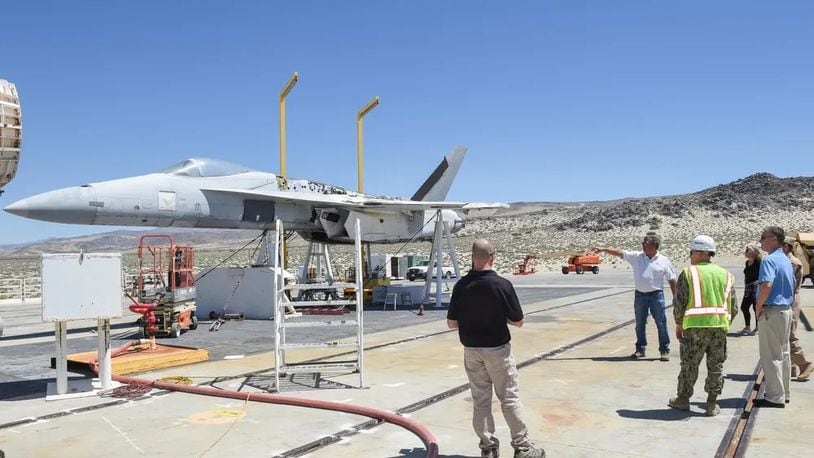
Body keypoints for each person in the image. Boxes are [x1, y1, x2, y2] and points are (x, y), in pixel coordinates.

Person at [447, 239, 545, 458]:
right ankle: (522, 448)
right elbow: (518, 321)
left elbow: (452, 323)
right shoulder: (502, 285)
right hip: (498, 350)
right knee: (509, 398)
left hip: (472, 351)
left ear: (472, 257)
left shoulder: (461, 286)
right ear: (492, 256)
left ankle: (488, 448)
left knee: (480, 400)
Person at [668, 235, 737, 416]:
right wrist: (723, 322)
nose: (690, 256)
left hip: (694, 328)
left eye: (691, 252)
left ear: (699, 252)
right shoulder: (727, 275)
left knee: (689, 364)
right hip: (719, 328)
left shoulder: (689, 273)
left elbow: (679, 303)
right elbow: (734, 307)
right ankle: (712, 404)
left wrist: (678, 324)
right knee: (716, 365)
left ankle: (683, 399)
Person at [594, 233, 678, 361]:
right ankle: (640, 349)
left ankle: (664, 350)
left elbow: (672, 279)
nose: (643, 246)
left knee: (661, 323)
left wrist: (675, 297)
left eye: (646, 244)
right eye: (643, 243)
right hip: (640, 296)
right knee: (640, 323)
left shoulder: (664, 260)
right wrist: (603, 249)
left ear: (654, 246)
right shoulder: (637, 257)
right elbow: (619, 252)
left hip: (656, 296)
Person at [754, 226, 795, 408]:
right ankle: (783, 393)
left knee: (771, 355)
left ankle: (774, 396)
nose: (761, 241)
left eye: (763, 237)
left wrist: (758, 305)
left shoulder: (769, 260)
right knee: (783, 353)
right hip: (785, 310)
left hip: (772, 310)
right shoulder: (785, 259)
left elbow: (767, 285)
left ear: (772, 239)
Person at [782, 237, 814, 381]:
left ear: (786, 247)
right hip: (789, 299)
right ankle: (792, 368)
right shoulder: (788, 261)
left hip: (790, 300)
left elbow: (789, 286)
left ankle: (805, 364)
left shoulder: (791, 262)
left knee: (790, 336)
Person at [740, 245, 762, 335]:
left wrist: (758, 282)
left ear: (754, 252)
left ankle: (758, 328)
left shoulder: (759, 262)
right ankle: (747, 327)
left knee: (755, 307)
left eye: (748, 250)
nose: (746, 252)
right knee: (744, 307)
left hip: (756, 288)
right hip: (748, 288)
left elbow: (763, 274)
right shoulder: (747, 262)